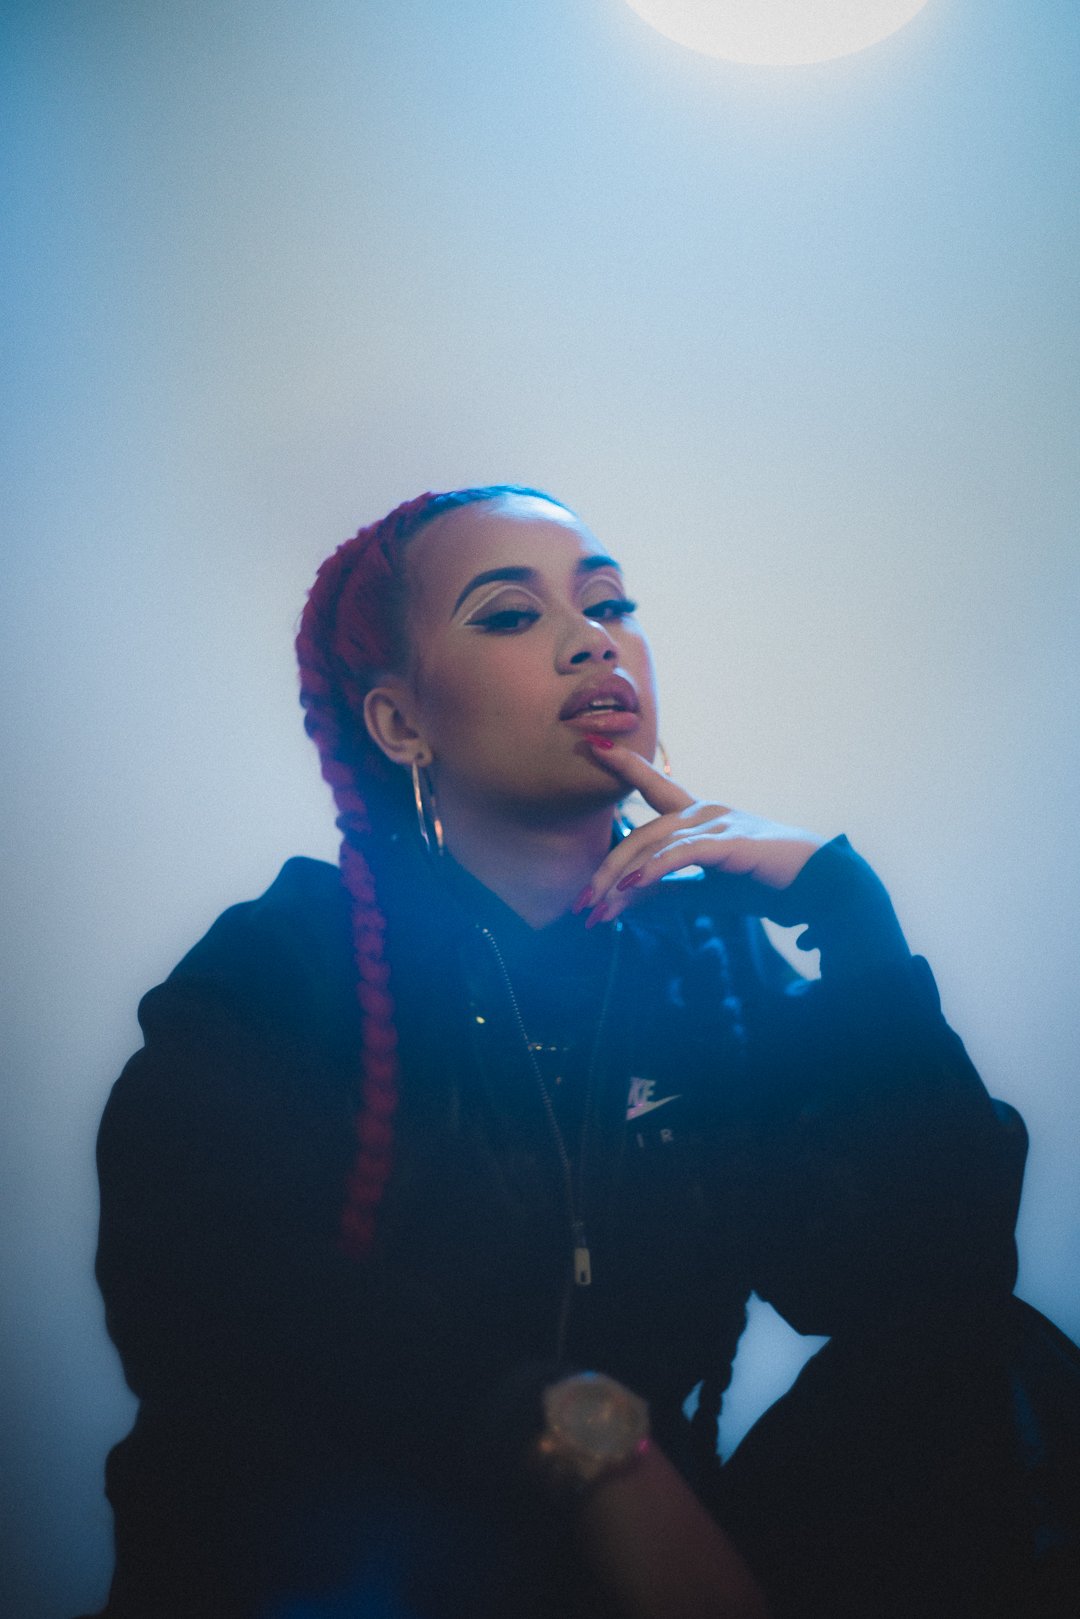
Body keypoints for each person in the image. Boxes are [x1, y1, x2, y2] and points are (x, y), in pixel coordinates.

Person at [89, 486, 1071, 1618]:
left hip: (635, 1565)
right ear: (401, 722)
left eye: (610, 603)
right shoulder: (284, 967)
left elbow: (933, 1274)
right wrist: (580, 1434)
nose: (591, 635)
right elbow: (214, 1321)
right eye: (509, 614)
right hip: (353, 1557)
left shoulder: (705, 964)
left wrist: (855, 925)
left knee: (994, 1360)